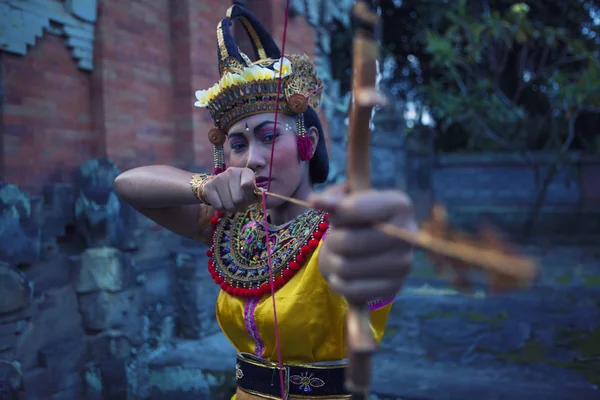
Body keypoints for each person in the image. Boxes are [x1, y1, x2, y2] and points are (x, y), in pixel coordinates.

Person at [114, 5, 415, 399]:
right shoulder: (234, 228)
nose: (253, 158)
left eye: (269, 137)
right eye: (238, 145)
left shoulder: (340, 232)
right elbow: (128, 184)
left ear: (307, 144)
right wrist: (204, 188)